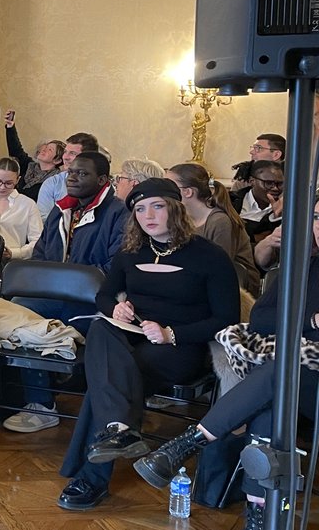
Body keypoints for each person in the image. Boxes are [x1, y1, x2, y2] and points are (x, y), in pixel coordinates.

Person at [131, 199, 319, 529]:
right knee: (269, 412)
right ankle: (260, 517)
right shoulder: (304, 266)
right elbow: (260, 318)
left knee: (279, 374)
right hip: (297, 380)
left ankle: (188, 443)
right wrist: (312, 323)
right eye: (316, 216)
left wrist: (298, 324)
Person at [55, 178, 239, 511]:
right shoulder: (130, 253)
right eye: (139, 209)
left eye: (156, 206)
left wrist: (171, 334)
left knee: (106, 380)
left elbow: (227, 318)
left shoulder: (209, 257)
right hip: (131, 338)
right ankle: (118, 430)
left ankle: (94, 470)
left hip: (179, 348)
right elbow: (105, 294)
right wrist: (115, 308)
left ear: (176, 209)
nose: (147, 215)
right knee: (100, 330)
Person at [0, 151, 130, 433]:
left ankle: (48, 398)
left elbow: (114, 266)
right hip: (53, 293)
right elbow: (42, 253)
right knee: (12, 310)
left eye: (83, 174)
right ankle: (36, 400)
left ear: (103, 180)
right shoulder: (62, 209)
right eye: (71, 171)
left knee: (31, 317)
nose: (73, 177)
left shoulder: (117, 213)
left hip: (92, 300)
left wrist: (67, 279)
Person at [167, 162, 260, 295]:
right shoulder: (180, 219)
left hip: (235, 290)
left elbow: (218, 268)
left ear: (187, 192)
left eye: (169, 187)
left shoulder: (220, 222)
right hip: (195, 282)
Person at [36, 132, 101, 220]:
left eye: (72, 153)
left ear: (88, 158)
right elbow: (43, 219)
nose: (65, 157)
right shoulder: (52, 183)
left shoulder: (100, 184)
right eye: (65, 152)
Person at [4, 110, 65, 201]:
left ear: (57, 160)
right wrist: (10, 126)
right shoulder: (29, 165)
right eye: (46, 147)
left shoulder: (56, 180)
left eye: (50, 150)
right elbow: (16, 150)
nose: (44, 149)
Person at [231, 159, 284, 243]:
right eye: (268, 183)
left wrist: (276, 217)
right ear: (252, 181)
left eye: (280, 184)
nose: (275, 188)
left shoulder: (287, 209)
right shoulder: (231, 201)